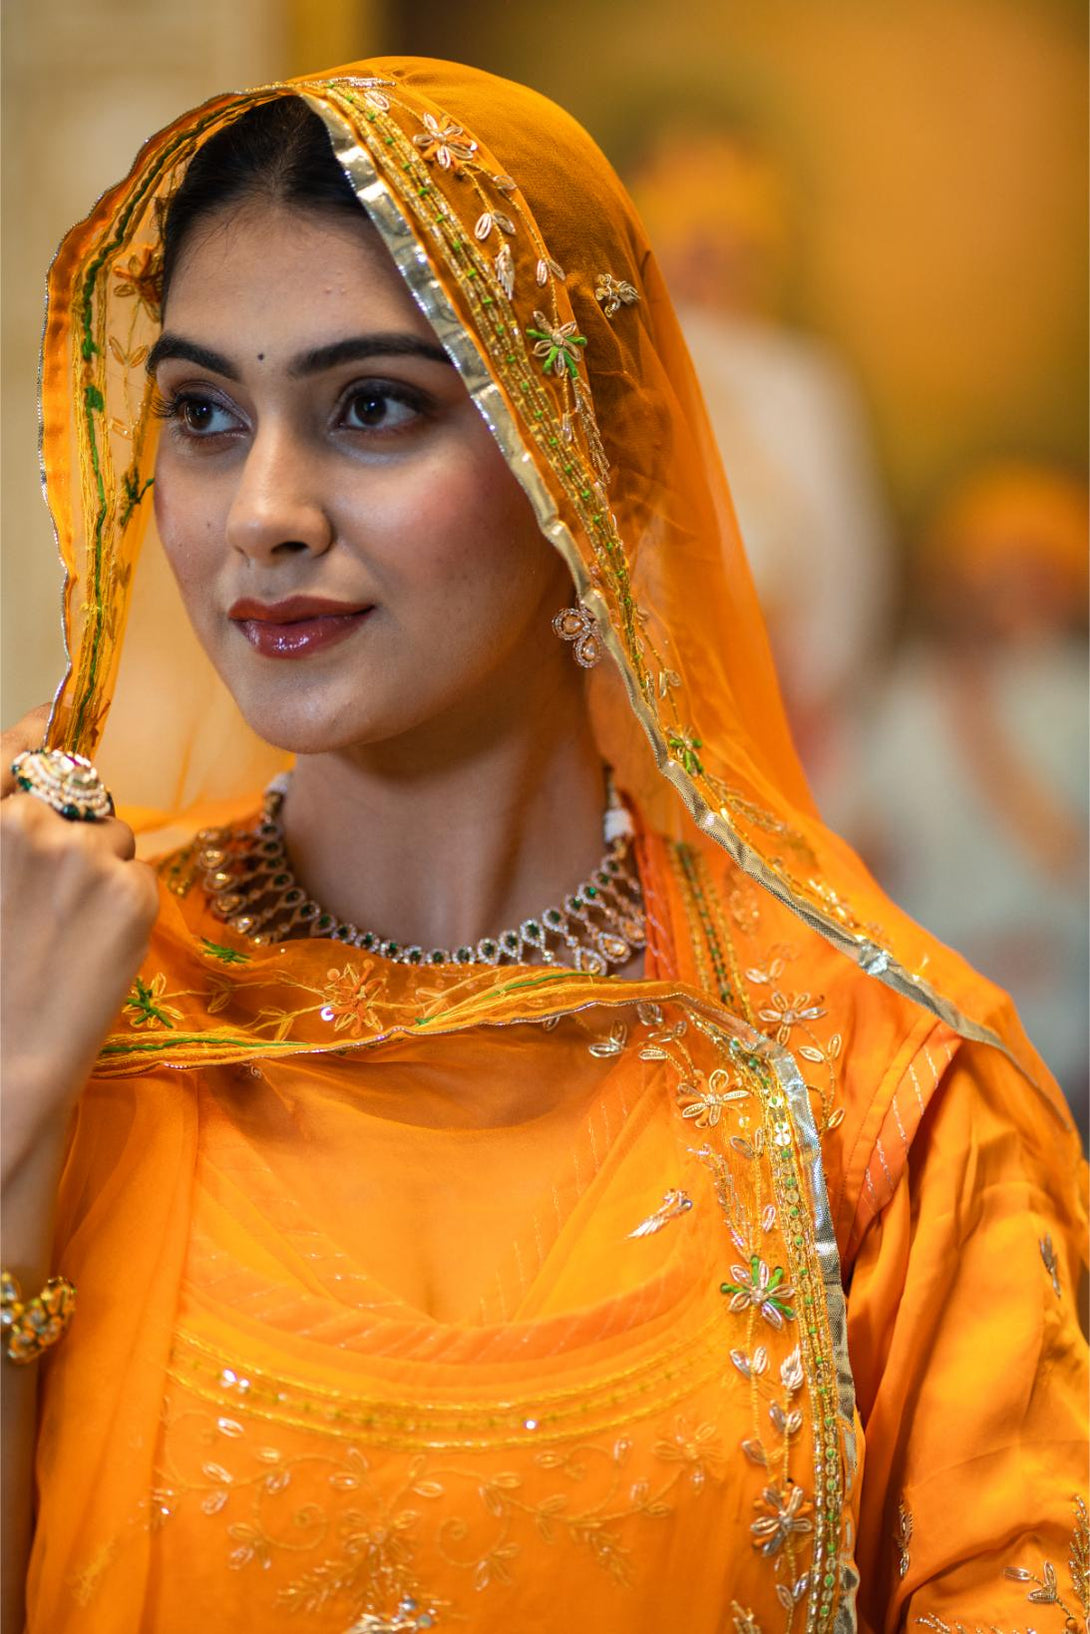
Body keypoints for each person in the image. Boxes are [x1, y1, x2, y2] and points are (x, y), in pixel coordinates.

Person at [0, 60, 1084, 1634]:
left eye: (372, 406)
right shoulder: (67, 993)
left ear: (591, 460)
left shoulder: (872, 1092)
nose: (260, 512)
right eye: (204, 415)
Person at [825, 463, 1089, 1140]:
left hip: (1065, 1001)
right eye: (994, 572)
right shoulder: (912, 699)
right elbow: (860, 844)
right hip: (941, 999)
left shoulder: (1076, 696)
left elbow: (1069, 859)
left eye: (1036, 570)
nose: (1014, 591)